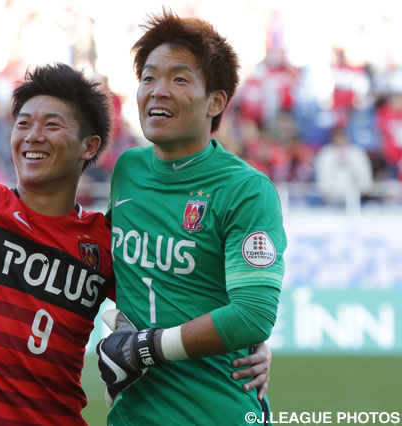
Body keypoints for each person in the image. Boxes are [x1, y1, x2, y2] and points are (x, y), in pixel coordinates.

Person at [0, 24, 271, 426]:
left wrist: (247, 339)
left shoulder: (103, 241)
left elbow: (170, 290)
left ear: (89, 146)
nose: (32, 135)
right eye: (23, 124)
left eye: (51, 124)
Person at [96, 10, 287, 426]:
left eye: (179, 79)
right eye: (149, 78)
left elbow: (252, 315)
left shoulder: (246, 190)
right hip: (131, 416)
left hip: (217, 412)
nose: (158, 91)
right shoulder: (128, 169)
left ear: (215, 101)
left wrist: (147, 348)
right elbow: (108, 265)